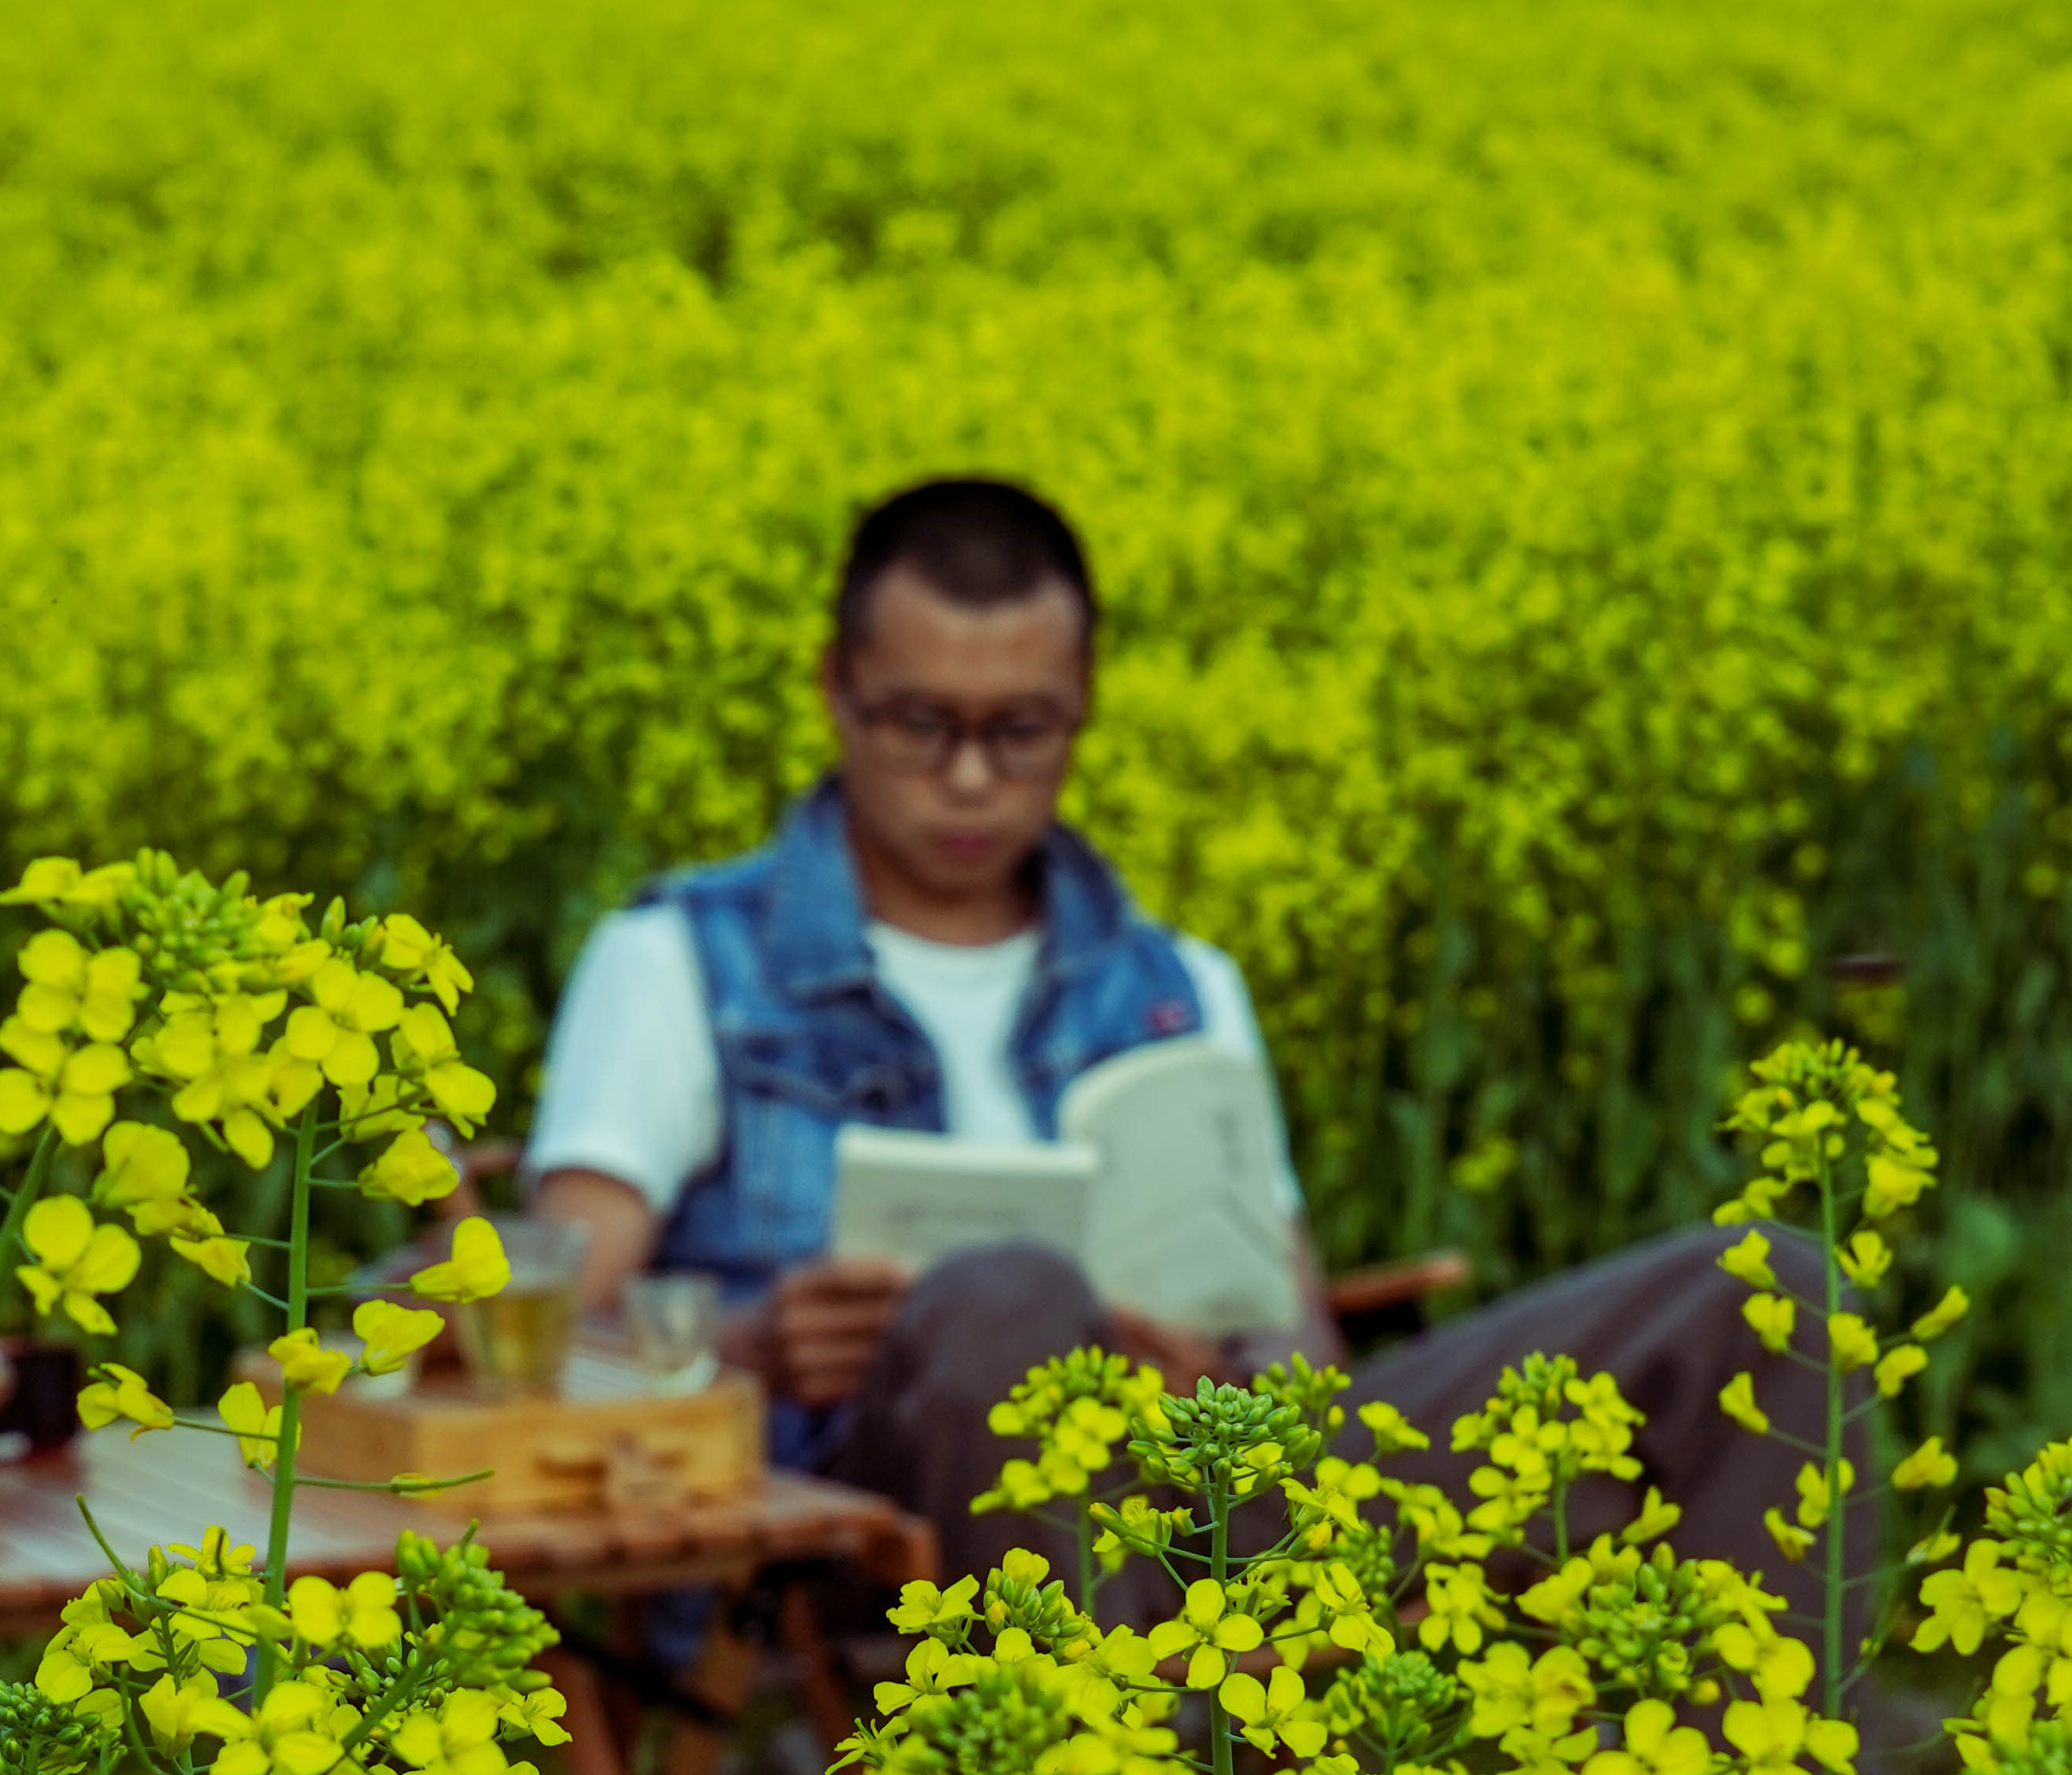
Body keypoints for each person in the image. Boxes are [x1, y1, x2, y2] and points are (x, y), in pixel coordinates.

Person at [524, 475, 1862, 1646]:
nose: (975, 778)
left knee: (1766, 1293)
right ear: (834, 690)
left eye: (1025, 729)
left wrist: (1216, 1365)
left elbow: (1296, 1344)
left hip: (1221, 1508)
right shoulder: (682, 961)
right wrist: (747, 1344)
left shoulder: (1178, 986)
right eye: (923, 724)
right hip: (884, 1549)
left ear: (1087, 703)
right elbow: (524, 1342)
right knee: (1007, 1302)